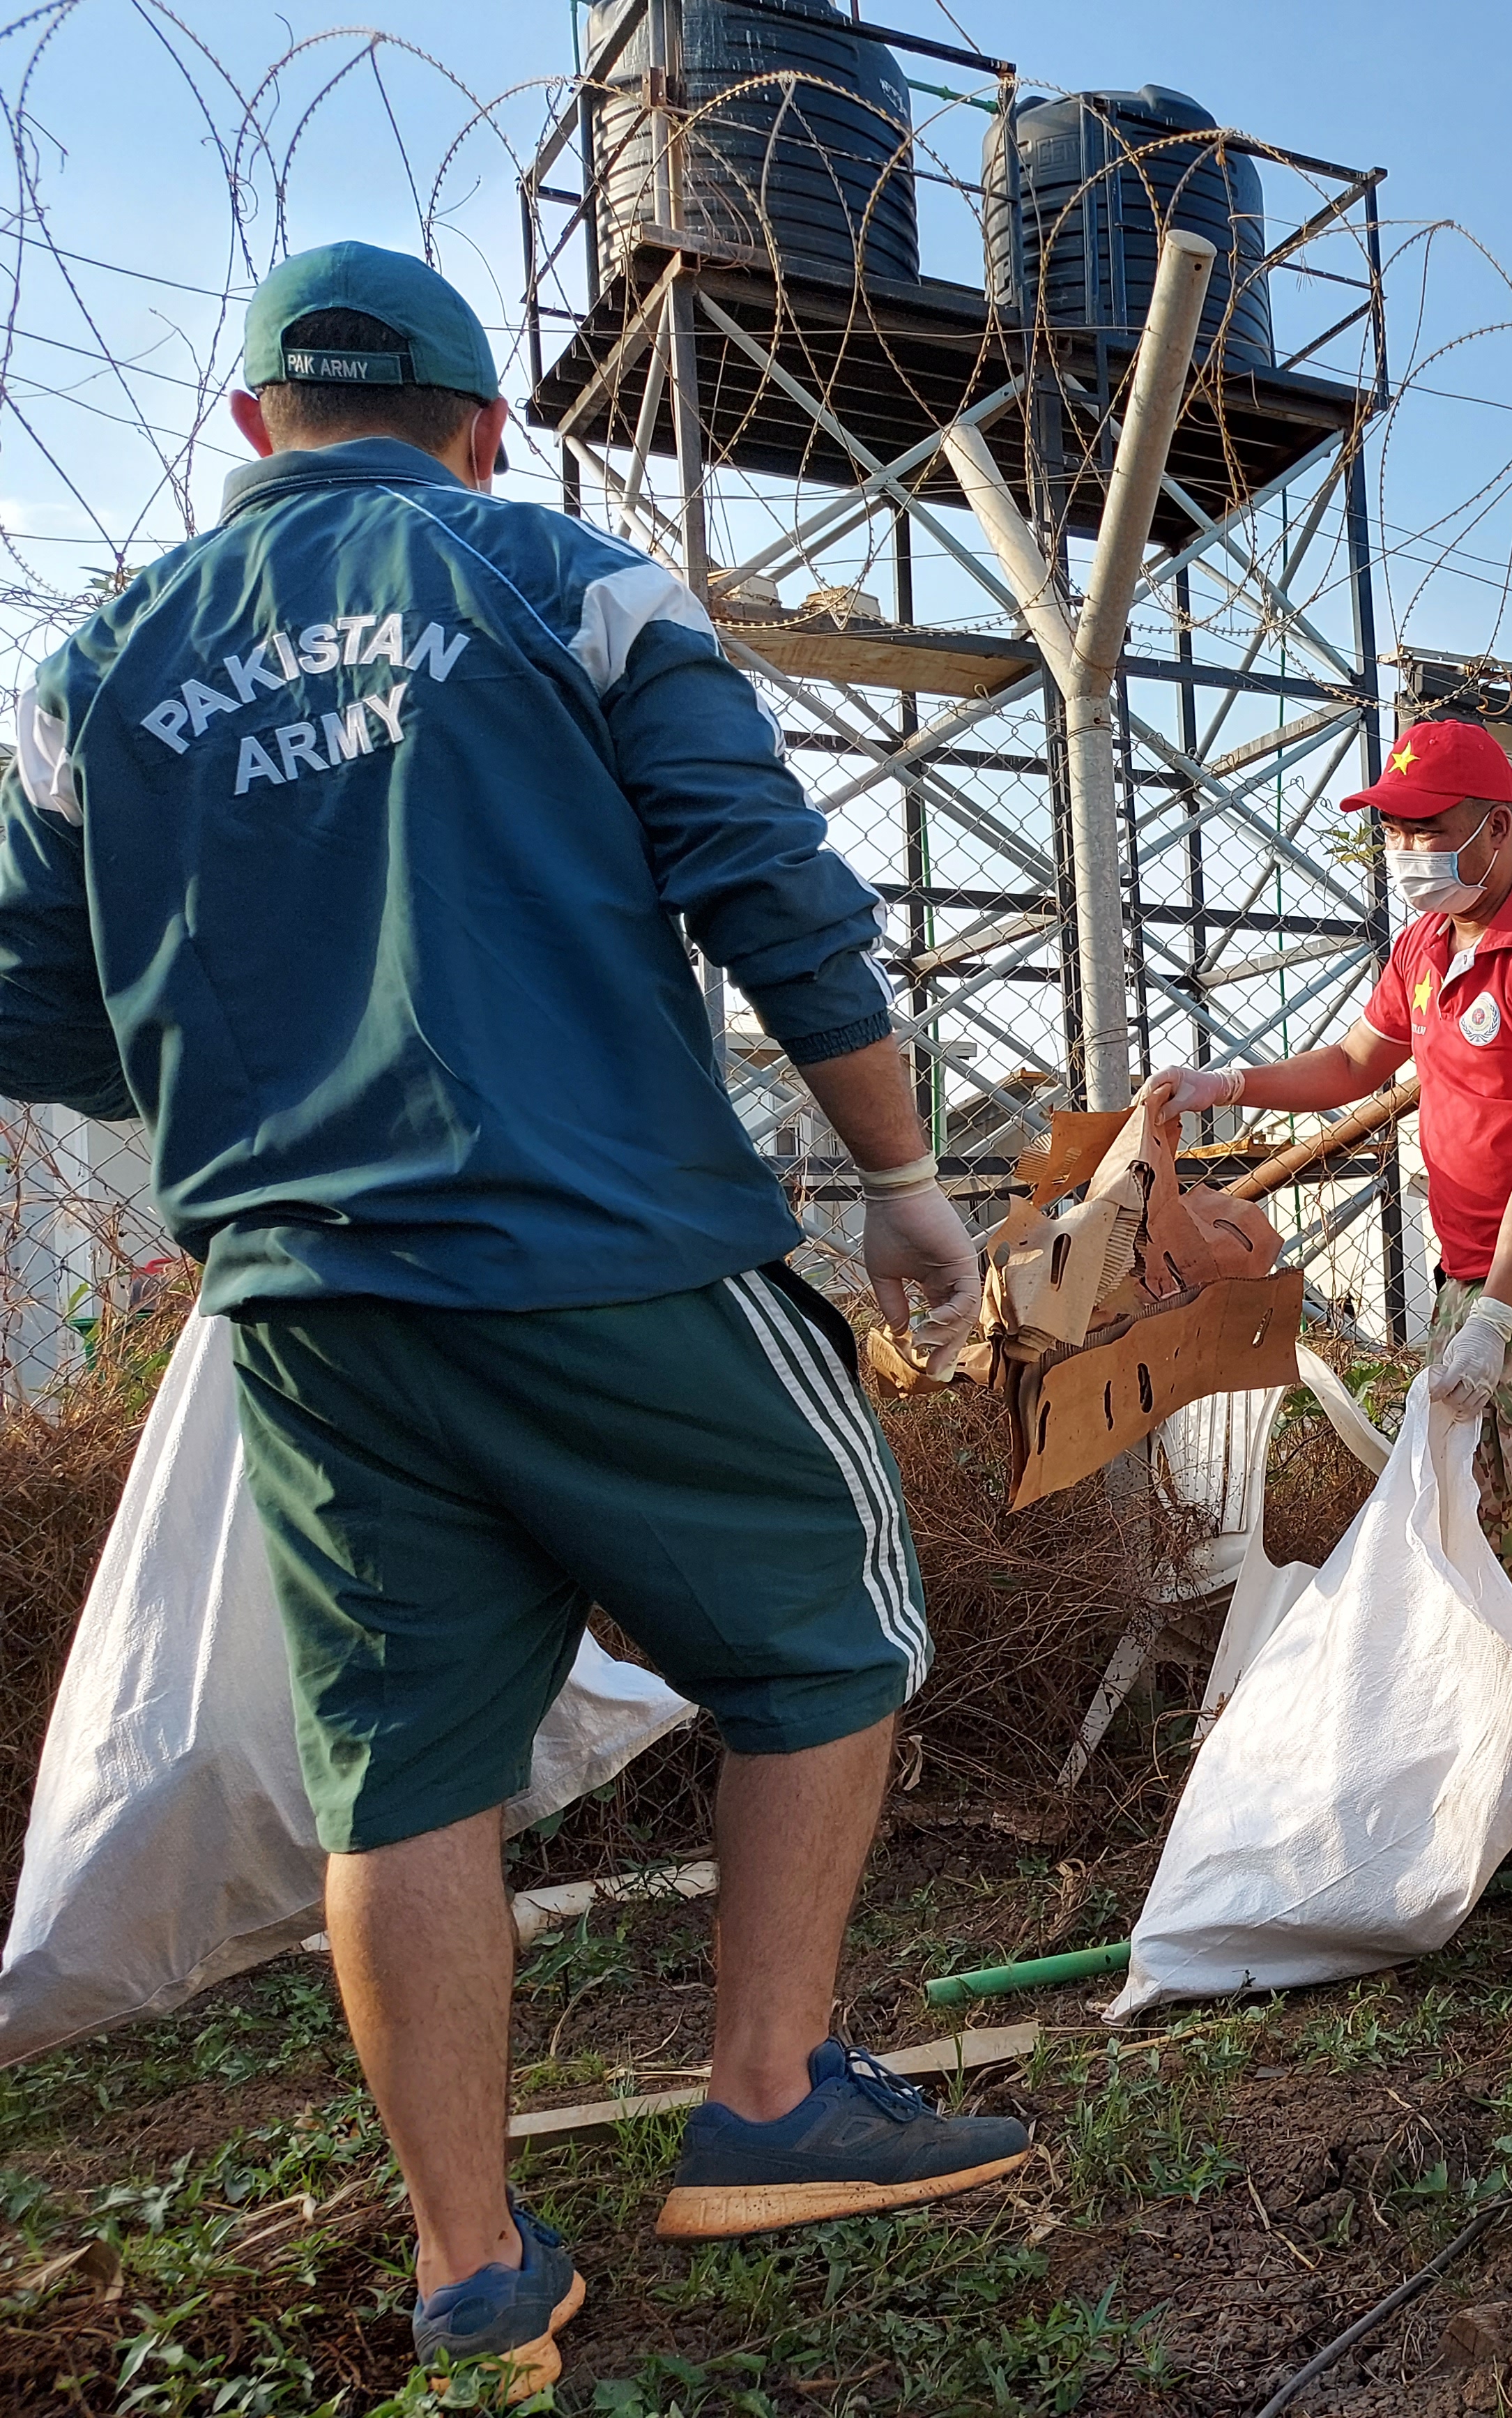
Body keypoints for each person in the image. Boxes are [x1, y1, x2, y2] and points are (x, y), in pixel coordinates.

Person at [0, 243, 1026, 2401]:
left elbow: (32, 1004)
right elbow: (775, 890)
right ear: (485, 425)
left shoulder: (87, 680)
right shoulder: (567, 580)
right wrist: (905, 1187)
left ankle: (474, 2272)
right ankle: (766, 2098)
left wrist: (259, 1081)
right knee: (838, 1628)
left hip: (305, 1306)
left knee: (409, 1769)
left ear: (252, 432)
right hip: (603, 1239)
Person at [1143, 717, 1512, 1915]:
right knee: (1461, 1534)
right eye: (1393, 831)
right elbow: (1350, 1066)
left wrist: (1492, 1318)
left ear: (1499, 829)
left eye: (1428, 829)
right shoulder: (1430, 948)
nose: (1408, 851)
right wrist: (1226, 1083)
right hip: (1472, 1286)